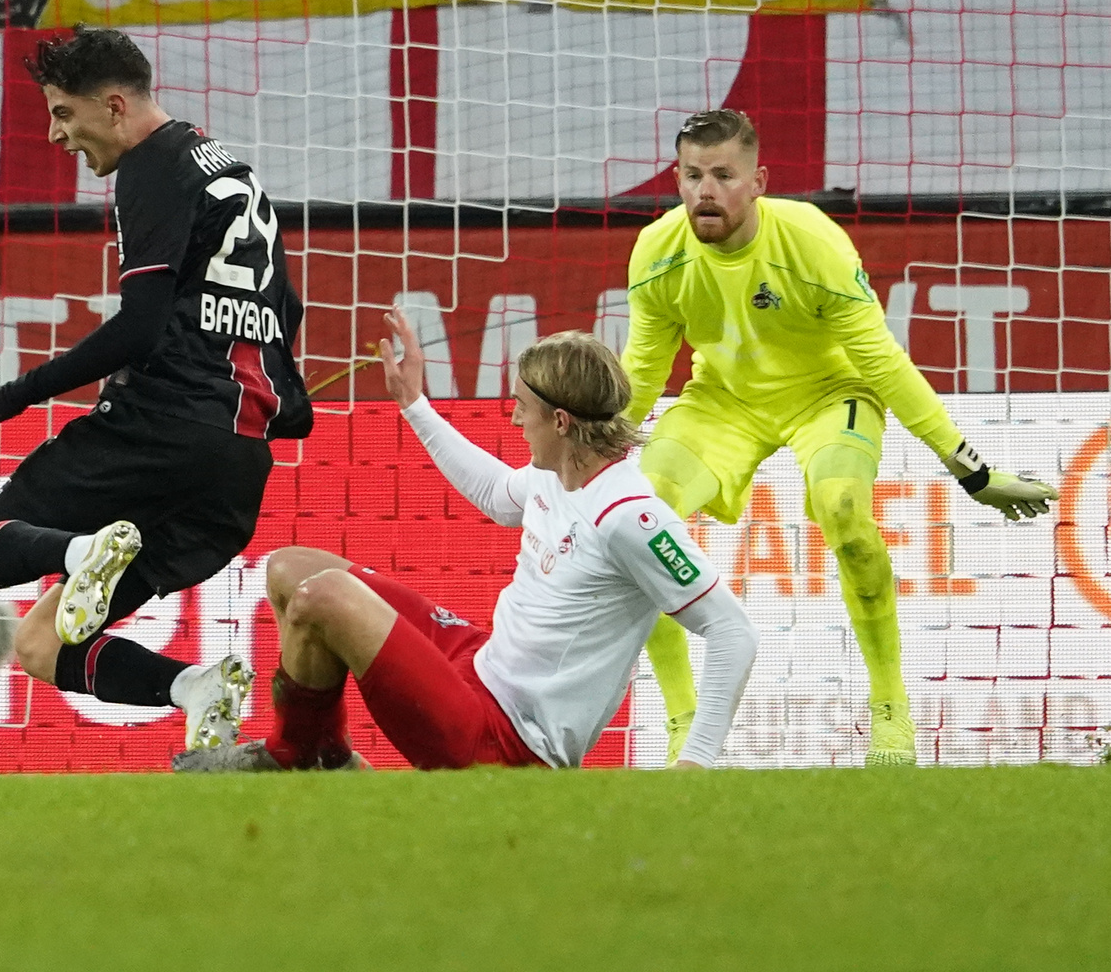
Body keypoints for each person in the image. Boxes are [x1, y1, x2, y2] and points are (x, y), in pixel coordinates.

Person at [623, 109, 1059, 767]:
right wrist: (580, 474)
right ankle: (685, 727)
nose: (703, 191)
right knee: (640, 523)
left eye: (721, 175)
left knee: (844, 512)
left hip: (830, 395)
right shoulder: (658, 254)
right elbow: (641, 376)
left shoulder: (812, 242)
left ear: (757, 181)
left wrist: (971, 470)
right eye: (690, 175)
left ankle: (889, 710)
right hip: (721, 404)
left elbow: (881, 361)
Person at [0, 25, 313, 750]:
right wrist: (285, 399)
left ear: (112, 105)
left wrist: (10, 396)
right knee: (42, 646)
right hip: (233, 467)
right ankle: (193, 687)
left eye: (63, 114)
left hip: (156, 426)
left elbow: (139, 330)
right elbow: (280, 313)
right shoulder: (231, 168)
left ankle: (80, 552)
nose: (54, 135)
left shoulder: (152, 167)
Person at [173, 312, 757, 772]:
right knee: (290, 568)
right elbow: (498, 493)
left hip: (507, 739)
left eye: (521, 409)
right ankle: (326, 756)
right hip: (478, 666)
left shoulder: (630, 515)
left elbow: (732, 632)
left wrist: (696, 762)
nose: (511, 420)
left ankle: (290, 755)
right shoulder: (562, 473)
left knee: (322, 597)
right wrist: (415, 405)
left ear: (559, 421)